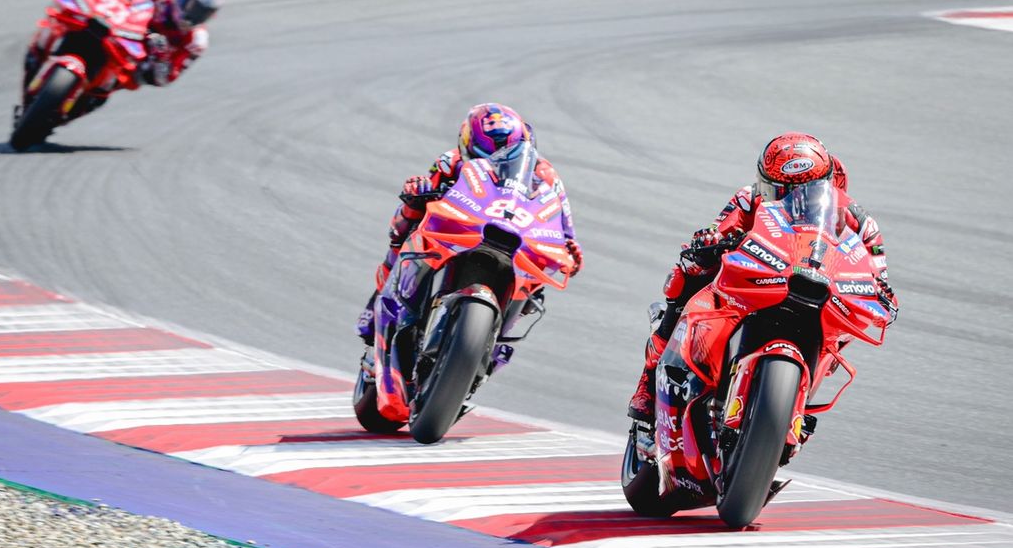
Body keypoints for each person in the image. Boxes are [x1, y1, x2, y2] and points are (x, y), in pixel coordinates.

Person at [627, 131, 896, 441]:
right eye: (773, 188)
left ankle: (799, 403)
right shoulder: (749, 198)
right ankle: (648, 382)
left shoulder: (859, 222)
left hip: (818, 291)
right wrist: (710, 241)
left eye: (789, 190)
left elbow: (878, 273)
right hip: (760, 280)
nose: (778, 196)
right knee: (689, 270)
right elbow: (719, 230)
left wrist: (883, 292)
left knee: (849, 324)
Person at [355, 103, 583, 344]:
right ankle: (384, 299)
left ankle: (494, 340)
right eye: (485, 154)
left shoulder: (546, 176)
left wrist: (570, 250)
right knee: (409, 221)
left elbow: (564, 229)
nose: (498, 158)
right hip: (461, 227)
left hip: (516, 236)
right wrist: (417, 195)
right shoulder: (449, 162)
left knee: (539, 282)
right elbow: (426, 191)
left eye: (507, 150)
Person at [22, 0, 222, 112]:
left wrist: (160, 58)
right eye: (194, 7)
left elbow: (166, 79)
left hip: (137, 58)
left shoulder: (196, 41)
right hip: (117, 26)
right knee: (58, 21)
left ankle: (82, 103)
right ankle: (36, 57)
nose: (195, 16)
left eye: (203, 13)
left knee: (118, 83)